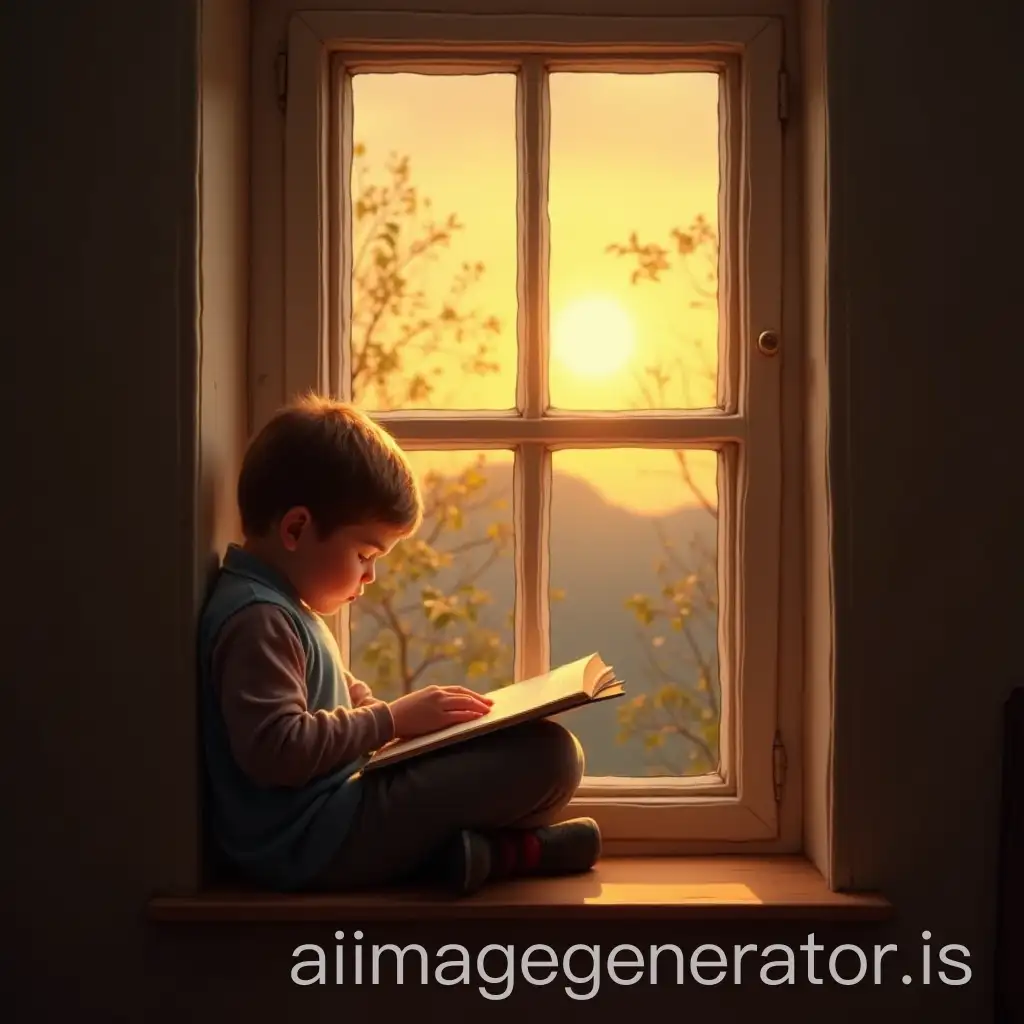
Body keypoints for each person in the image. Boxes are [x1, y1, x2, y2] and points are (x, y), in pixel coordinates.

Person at [197, 393, 601, 895]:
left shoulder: (281, 606)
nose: (369, 575)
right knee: (551, 760)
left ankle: (463, 858)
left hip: (334, 815)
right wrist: (391, 720)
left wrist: (409, 732)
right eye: (366, 553)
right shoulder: (258, 617)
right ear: (296, 528)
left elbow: (337, 699)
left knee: (549, 750)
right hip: (309, 842)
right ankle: (510, 854)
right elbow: (278, 750)